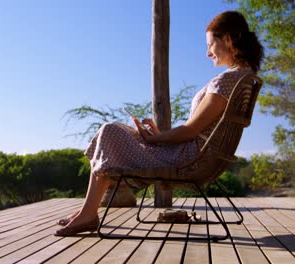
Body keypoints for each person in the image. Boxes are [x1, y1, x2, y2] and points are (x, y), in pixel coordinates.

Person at [54, 10, 264, 236]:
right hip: (192, 153)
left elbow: (191, 130)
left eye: (211, 44)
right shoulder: (241, 78)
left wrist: (156, 138)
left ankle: (88, 214)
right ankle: (87, 211)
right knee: (115, 134)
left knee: (110, 132)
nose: (207, 53)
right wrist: (159, 136)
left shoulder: (226, 81)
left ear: (229, 40)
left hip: (189, 159)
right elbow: (197, 130)